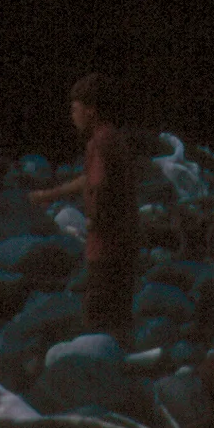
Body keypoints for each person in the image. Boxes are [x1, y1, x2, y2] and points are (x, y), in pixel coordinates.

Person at [33, 74, 138, 348]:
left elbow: (98, 185)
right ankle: (123, 355)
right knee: (120, 312)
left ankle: (103, 361)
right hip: (125, 242)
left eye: (75, 109)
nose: (73, 116)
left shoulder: (98, 144)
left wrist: (93, 221)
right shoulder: (112, 138)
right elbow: (89, 179)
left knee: (99, 314)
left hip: (106, 246)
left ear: (90, 111)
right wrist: (48, 195)